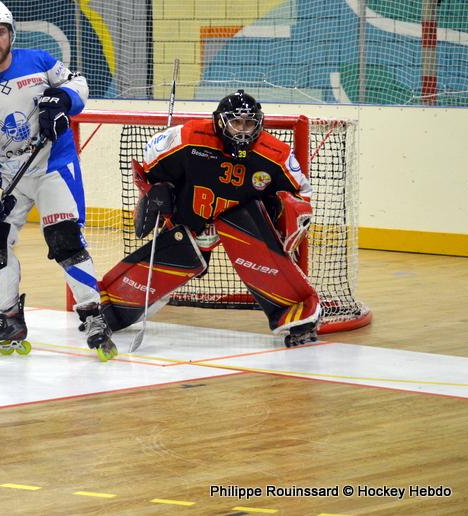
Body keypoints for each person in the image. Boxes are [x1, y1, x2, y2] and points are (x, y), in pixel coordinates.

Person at [0, 0, 118, 361]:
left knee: (64, 240)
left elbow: (78, 83)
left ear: (11, 34)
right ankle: (9, 317)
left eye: (0, 32)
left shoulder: (41, 61)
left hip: (52, 164)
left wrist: (61, 99)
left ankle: (93, 316)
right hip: (10, 170)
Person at [99, 89, 321, 347]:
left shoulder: (275, 154)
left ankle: (299, 316)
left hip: (241, 222)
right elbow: (149, 162)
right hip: (191, 219)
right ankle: (110, 306)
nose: (243, 131)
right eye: (236, 122)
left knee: (257, 245)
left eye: (249, 123)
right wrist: (154, 192)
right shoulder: (189, 136)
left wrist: (282, 217)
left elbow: (302, 193)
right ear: (219, 121)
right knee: (175, 256)